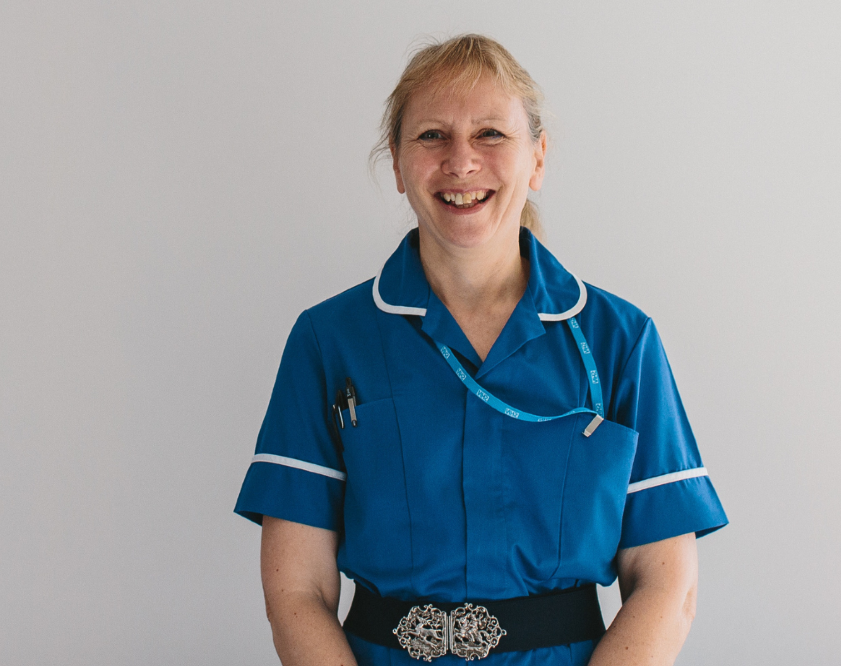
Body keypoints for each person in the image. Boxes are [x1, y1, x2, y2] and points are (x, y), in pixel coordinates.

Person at [233, 34, 727, 666]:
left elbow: (667, 587)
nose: (461, 162)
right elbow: (295, 589)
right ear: (397, 163)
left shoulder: (621, 340)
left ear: (538, 158)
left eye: (491, 134)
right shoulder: (328, 341)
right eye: (432, 135)